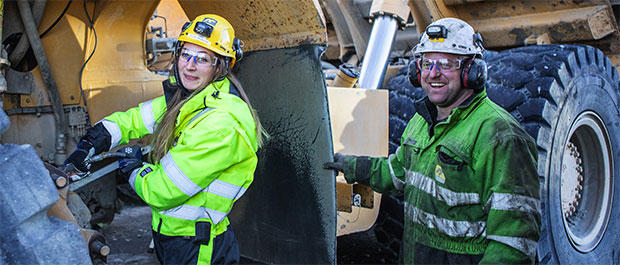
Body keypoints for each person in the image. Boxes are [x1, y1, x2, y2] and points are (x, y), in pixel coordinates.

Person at [325, 18, 541, 264]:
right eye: (427, 63)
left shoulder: (500, 136)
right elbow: (397, 175)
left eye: (447, 63)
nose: (434, 73)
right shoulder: (422, 122)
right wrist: (349, 165)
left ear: (472, 71)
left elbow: (513, 244)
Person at [65, 14, 266, 264]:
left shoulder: (220, 123)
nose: (189, 65)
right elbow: (135, 119)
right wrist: (94, 139)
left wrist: (133, 168)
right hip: (176, 238)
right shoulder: (190, 98)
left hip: (200, 248)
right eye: (185, 54)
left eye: (202, 59)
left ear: (221, 66)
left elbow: (163, 190)